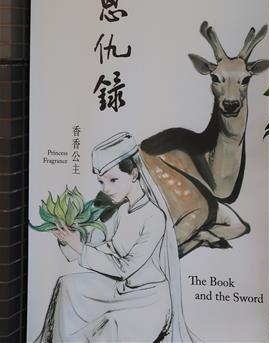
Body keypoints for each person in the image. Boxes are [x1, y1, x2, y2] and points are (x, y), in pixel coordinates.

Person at [35, 132, 197, 342]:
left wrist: (80, 247)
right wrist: (67, 238)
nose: (106, 189)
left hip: (149, 299)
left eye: (113, 180)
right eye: (101, 182)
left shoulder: (154, 216)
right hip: (121, 291)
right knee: (66, 285)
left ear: (134, 174)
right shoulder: (121, 212)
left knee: (109, 327)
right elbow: (93, 243)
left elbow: (125, 268)